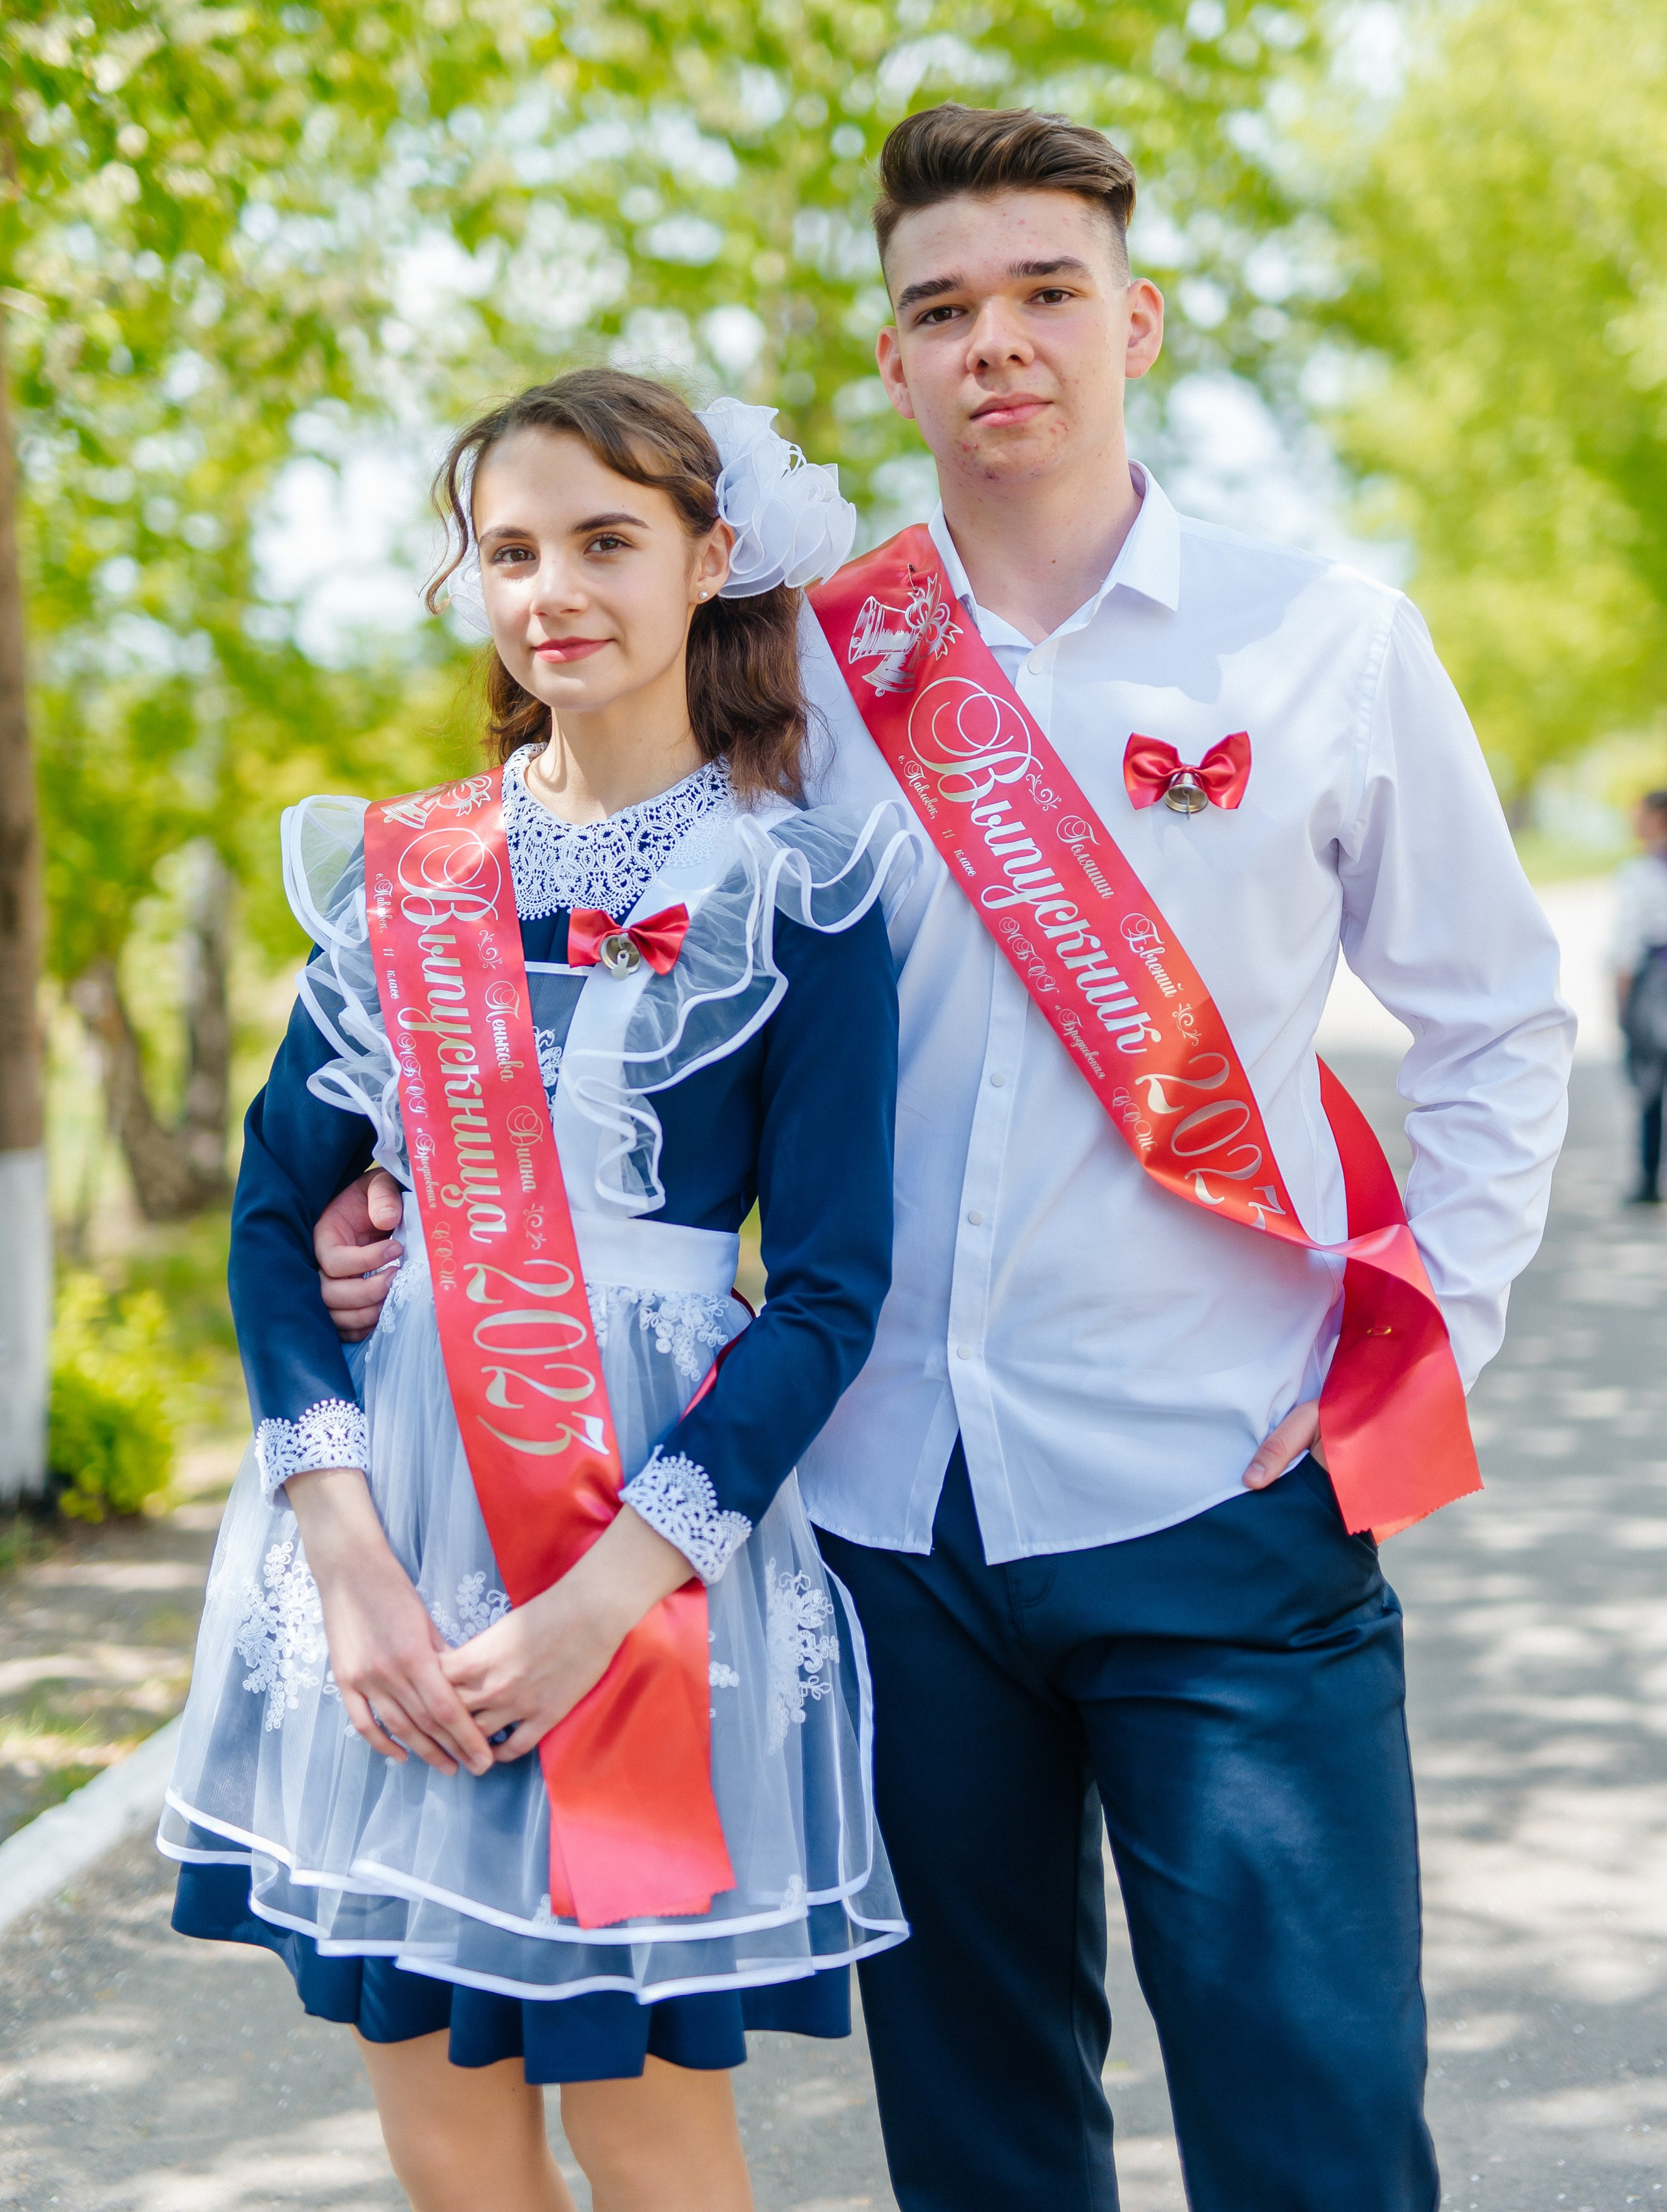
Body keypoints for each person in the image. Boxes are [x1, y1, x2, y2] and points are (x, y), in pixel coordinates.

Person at [320, 108, 1575, 2212]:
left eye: (1046, 291)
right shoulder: (789, 661)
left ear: (1137, 319)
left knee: (1319, 2125)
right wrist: (394, 1176)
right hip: (873, 1508)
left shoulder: (1319, 639)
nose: (998, 340)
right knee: (982, 2130)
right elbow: (578, 902)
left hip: (1219, 1476)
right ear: (892, 362)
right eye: (943, 307)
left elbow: (1495, 1017)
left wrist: (1409, 1346)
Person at [160, 369, 915, 2212]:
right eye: (509, 549)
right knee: (441, 2129)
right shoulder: (399, 873)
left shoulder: (797, 892)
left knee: (648, 2125)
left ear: (709, 557)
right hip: (392, 1554)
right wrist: (341, 1561)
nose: (553, 588)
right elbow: (277, 1223)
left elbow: (826, 1293)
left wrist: (605, 1599)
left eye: (605, 541)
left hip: (638, 1552)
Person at [1611, 787, 1667, 1205]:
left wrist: (1623, 1004)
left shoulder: (1642, 872)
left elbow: (1627, 947)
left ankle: (1648, 1180)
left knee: (1650, 1082)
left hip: (1656, 980)